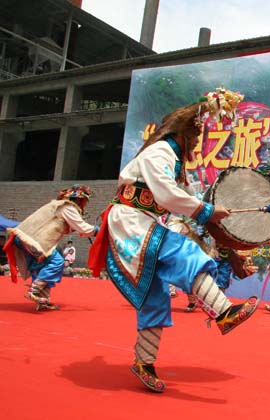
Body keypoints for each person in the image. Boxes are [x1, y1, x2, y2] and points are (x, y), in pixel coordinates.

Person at [88, 88, 259, 393]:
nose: (196, 144)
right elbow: (170, 197)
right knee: (184, 251)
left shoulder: (176, 165)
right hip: (130, 221)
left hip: (143, 222)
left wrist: (228, 246)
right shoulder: (160, 153)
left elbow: (186, 206)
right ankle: (223, 312)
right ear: (182, 135)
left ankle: (144, 362)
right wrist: (206, 210)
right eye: (194, 139)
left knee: (155, 298)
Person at [3, 185, 97, 310]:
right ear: (79, 199)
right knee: (56, 262)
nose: (85, 203)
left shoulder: (60, 206)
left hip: (29, 239)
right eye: (84, 200)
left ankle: (43, 300)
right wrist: (98, 230)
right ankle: (34, 291)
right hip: (34, 240)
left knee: (42, 266)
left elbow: (74, 227)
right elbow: (83, 228)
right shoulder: (67, 207)